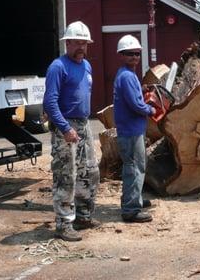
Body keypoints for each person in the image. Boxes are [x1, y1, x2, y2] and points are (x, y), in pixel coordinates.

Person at [43, 21, 100, 242]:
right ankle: (63, 224)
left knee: (90, 172)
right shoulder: (58, 67)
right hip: (66, 127)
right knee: (66, 176)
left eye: (85, 44)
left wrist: (81, 125)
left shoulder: (86, 66)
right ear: (67, 43)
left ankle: (83, 216)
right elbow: (50, 101)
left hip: (84, 125)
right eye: (77, 43)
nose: (82, 48)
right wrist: (65, 128)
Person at [113, 35, 155, 223]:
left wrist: (142, 88)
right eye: (130, 54)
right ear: (121, 55)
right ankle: (131, 209)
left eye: (137, 54)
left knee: (133, 166)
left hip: (130, 130)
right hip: (131, 131)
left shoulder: (127, 75)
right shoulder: (127, 76)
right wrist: (151, 109)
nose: (135, 57)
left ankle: (133, 199)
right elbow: (137, 106)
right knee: (135, 168)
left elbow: (133, 95)